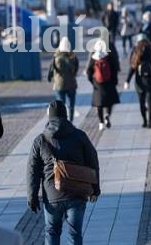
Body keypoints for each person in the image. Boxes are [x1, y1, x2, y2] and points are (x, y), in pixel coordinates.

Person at [27, 101, 100, 245]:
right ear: (66, 116)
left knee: (52, 232)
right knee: (75, 234)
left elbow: (32, 170)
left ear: (49, 117)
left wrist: (32, 196)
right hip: (77, 193)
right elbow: (93, 162)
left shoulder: (40, 140)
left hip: (52, 195)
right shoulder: (80, 136)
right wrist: (95, 189)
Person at [124, 33, 151, 128]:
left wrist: (127, 81)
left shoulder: (136, 51)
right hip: (150, 81)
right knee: (150, 102)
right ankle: (150, 121)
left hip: (139, 82)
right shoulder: (150, 51)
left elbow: (132, 68)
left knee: (141, 102)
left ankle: (144, 121)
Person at [87, 38, 120, 130]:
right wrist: (114, 81)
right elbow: (114, 69)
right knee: (109, 101)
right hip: (109, 82)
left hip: (98, 84)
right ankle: (107, 115)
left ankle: (101, 122)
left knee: (99, 104)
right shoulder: (108, 57)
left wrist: (92, 81)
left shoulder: (94, 58)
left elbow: (89, 71)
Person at [47, 38, 79, 122]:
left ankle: (62, 122)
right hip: (71, 84)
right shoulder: (73, 57)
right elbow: (76, 69)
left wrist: (50, 77)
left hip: (59, 84)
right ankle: (71, 121)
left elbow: (51, 69)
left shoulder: (56, 56)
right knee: (71, 105)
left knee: (61, 105)